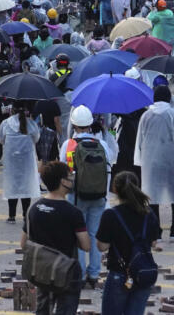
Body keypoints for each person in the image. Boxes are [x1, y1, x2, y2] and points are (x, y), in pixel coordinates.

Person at [60, 105, 117, 288]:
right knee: (93, 234)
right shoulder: (102, 145)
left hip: (75, 197)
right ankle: (93, 275)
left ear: (74, 125)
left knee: (77, 235)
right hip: (99, 196)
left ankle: (79, 273)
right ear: (91, 124)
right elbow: (110, 166)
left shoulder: (68, 145)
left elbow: (62, 169)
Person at [22, 161, 90, 315]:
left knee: (42, 309)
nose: (72, 179)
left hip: (41, 270)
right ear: (62, 181)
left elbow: (23, 243)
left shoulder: (34, 208)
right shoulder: (73, 212)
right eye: (69, 176)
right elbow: (86, 246)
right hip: (66, 272)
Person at [134, 85, 174, 237]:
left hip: (150, 163)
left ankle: (156, 230)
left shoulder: (146, 116)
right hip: (170, 161)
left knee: (152, 196)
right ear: (169, 98)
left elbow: (140, 141)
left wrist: (139, 161)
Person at [96, 172, 161, 315]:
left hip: (120, 274)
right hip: (143, 273)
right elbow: (154, 243)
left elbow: (102, 246)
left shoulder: (111, 215)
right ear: (137, 187)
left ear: (115, 190)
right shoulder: (148, 213)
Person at [0, 101, 41, 223]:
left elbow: (0, 139)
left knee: (12, 187)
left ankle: (11, 216)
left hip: (11, 162)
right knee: (25, 187)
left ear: (12, 110)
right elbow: (36, 138)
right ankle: (25, 215)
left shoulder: (5, 123)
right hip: (26, 161)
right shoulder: (31, 124)